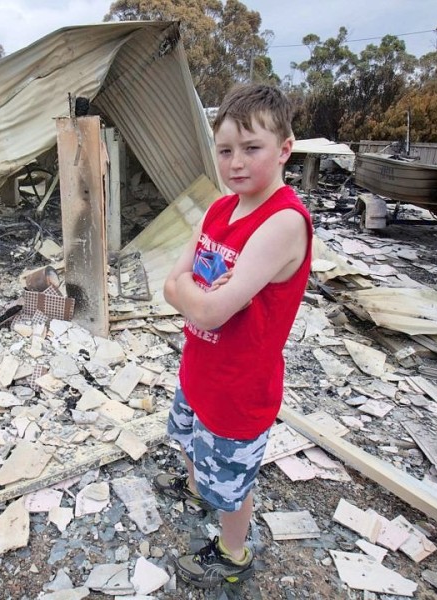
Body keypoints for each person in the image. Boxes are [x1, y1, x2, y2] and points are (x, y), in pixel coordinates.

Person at [154, 83, 312, 589]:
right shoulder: (219, 209)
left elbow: (211, 308)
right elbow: (170, 286)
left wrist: (196, 295)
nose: (236, 163)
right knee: (189, 441)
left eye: (252, 148)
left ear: (285, 149)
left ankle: (233, 552)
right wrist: (196, 295)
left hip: (241, 387)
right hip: (200, 369)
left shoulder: (284, 221)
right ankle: (198, 486)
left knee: (232, 486)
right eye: (225, 151)